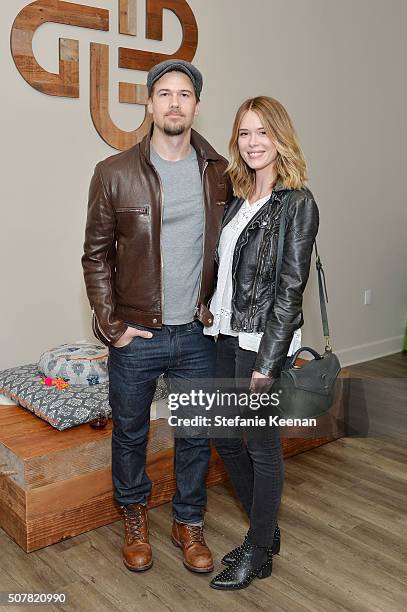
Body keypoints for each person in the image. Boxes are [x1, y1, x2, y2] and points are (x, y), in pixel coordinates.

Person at [82, 60, 231, 574]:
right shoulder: (114, 173)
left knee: (194, 433)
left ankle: (188, 521)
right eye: (164, 94)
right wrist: (111, 326)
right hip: (136, 332)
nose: (174, 103)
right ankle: (135, 517)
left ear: (195, 105)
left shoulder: (220, 174)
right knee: (129, 434)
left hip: (196, 332)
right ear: (149, 104)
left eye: (184, 94)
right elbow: (96, 256)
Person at [204, 96, 319, 590]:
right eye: (244, 134)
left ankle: (258, 546)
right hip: (226, 332)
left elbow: (291, 289)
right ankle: (264, 532)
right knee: (226, 438)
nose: (252, 143)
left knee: (261, 445)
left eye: (262, 133)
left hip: (263, 341)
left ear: (280, 138)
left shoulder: (297, 203)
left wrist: (267, 364)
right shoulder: (238, 198)